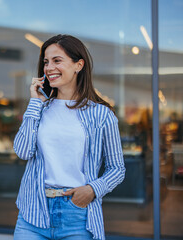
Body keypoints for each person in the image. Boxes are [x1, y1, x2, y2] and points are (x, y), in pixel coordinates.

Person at [13, 34, 125, 240]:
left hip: (77, 215)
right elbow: (22, 151)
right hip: (33, 213)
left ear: (78, 65)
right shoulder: (40, 108)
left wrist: (92, 190)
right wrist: (34, 103)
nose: (48, 67)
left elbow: (117, 168)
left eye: (57, 60)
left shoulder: (101, 114)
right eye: (46, 62)